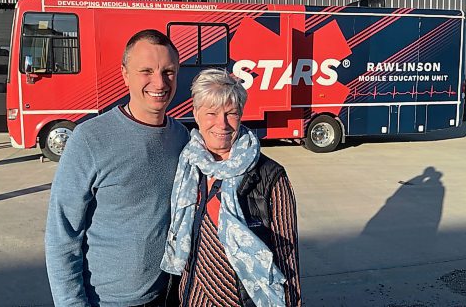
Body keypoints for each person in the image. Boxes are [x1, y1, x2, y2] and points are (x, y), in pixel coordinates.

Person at [45, 29, 189, 306]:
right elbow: (62, 233)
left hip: (169, 294)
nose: (159, 82)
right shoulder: (90, 139)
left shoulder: (181, 137)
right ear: (125, 74)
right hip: (107, 300)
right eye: (146, 71)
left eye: (168, 72)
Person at [161, 68, 301, 307]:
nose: (222, 124)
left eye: (231, 113)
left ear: (241, 114)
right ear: (195, 114)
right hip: (192, 295)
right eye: (211, 113)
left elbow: (288, 257)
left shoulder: (270, 175)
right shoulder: (188, 166)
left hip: (243, 298)